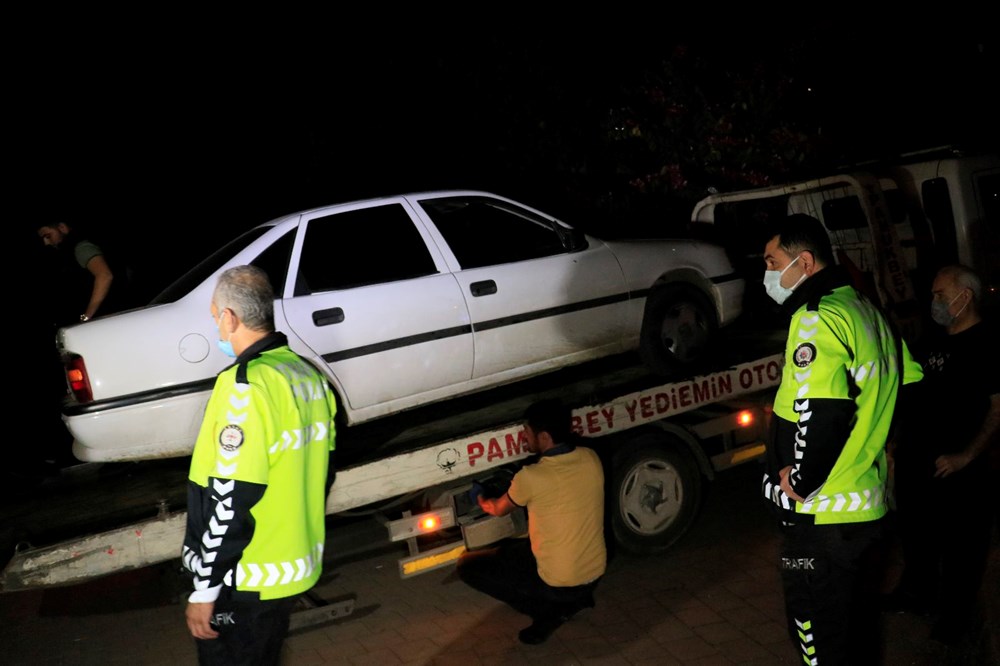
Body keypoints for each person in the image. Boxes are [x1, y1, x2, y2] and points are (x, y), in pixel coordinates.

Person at [760, 214, 922, 665]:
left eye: (772, 262)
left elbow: (823, 409)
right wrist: (882, 443)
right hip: (866, 506)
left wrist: (801, 481)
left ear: (804, 262)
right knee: (854, 629)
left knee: (819, 642)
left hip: (823, 519)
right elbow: (911, 386)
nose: (768, 274)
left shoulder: (817, 318)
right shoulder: (868, 311)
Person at [182, 265, 337, 665]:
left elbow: (230, 497)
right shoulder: (307, 375)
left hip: (245, 577)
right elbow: (324, 468)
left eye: (216, 316)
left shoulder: (244, 386)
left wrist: (204, 590)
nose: (217, 328)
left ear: (229, 317)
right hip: (288, 569)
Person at [885, 264, 1000, 646]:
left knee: (962, 548)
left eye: (939, 294)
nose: (933, 301)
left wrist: (967, 455)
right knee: (917, 534)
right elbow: (914, 392)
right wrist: (897, 442)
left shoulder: (987, 344)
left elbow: (998, 408)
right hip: (918, 461)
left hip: (958, 469)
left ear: (963, 296)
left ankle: (956, 617)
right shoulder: (935, 340)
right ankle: (917, 594)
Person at [455, 398, 606, 645]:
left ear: (544, 437)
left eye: (527, 433)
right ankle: (576, 599)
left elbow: (497, 509)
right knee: (514, 551)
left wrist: (479, 495)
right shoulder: (590, 457)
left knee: (467, 565)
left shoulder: (532, 476)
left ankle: (548, 613)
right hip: (594, 573)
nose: (525, 438)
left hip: (560, 582)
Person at [36, 219, 129, 325]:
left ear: (62, 227)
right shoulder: (69, 253)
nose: (46, 242)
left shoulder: (81, 248)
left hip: (110, 317)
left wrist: (87, 316)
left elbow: (105, 276)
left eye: (48, 236)